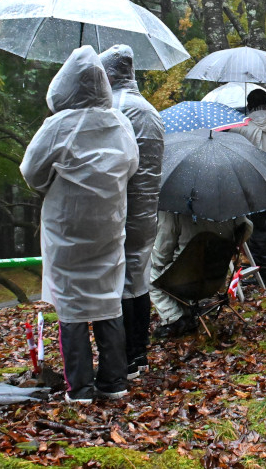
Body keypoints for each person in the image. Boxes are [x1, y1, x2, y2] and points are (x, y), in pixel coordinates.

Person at [20, 46, 139, 403]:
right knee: (108, 299)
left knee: (70, 304)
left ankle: (81, 388)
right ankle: (114, 381)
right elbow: (131, 167)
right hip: (109, 224)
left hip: (66, 228)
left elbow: (31, 172)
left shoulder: (57, 126)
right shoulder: (120, 122)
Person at [100, 45, 164, 380]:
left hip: (121, 210)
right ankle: (140, 354)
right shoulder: (151, 110)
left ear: (109, 75)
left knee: (121, 283)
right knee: (139, 279)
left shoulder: (114, 109)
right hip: (147, 212)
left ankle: (124, 358)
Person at [149, 212, 253, 338]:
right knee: (177, 268)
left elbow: (162, 253)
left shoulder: (173, 210)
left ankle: (174, 318)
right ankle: (187, 312)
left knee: (149, 272)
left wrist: (154, 263)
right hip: (216, 278)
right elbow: (247, 226)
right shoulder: (229, 204)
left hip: (184, 279)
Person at [230, 88, 266, 283]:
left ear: (249, 106)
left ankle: (262, 272)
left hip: (253, 185)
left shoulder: (241, 128)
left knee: (258, 230)